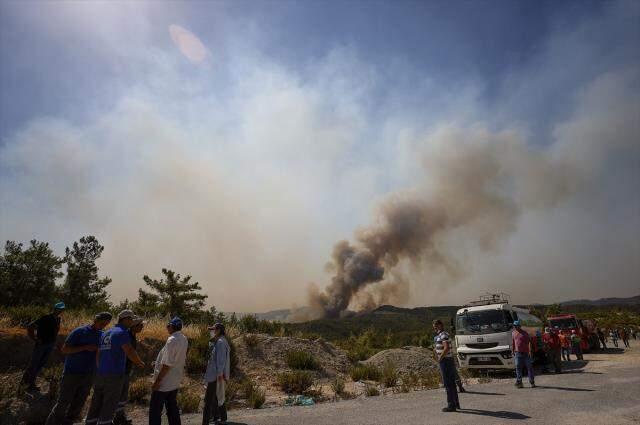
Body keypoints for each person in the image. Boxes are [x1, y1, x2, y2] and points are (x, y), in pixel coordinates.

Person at [46, 312, 112, 425]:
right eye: (102, 323)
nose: (103, 326)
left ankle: (69, 421)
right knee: (63, 402)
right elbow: (65, 350)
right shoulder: (80, 332)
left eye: (106, 324)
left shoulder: (102, 335)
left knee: (79, 403)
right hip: (72, 372)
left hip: (89, 374)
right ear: (95, 320)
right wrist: (85, 347)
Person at [85, 310, 144, 425]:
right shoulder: (122, 332)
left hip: (101, 374)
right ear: (125, 319)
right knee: (109, 403)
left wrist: (100, 369)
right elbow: (129, 351)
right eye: (131, 319)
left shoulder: (105, 333)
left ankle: (90, 422)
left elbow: (98, 353)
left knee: (96, 402)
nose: (132, 322)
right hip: (114, 375)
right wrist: (139, 362)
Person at [149, 317, 189, 425]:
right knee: (172, 408)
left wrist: (157, 382)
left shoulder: (171, 340)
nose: (167, 328)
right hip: (174, 381)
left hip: (164, 383)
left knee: (155, 410)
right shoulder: (183, 338)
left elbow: (167, 365)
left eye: (168, 326)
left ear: (172, 326)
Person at [21, 302, 66, 392]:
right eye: (58, 309)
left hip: (50, 345)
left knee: (40, 364)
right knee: (34, 364)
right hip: (41, 345)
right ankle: (24, 385)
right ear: (54, 308)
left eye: (61, 309)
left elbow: (54, 332)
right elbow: (30, 326)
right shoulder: (46, 318)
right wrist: (35, 339)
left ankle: (31, 383)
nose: (60, 310)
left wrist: (54, 343)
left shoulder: (58, 319)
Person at [114, 317, 145, 425]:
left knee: (122, 395)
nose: (142, 327)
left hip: (125, 369)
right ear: (134, 326)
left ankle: (119, 416)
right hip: (121, 370)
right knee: (119, 394)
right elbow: (129, 352)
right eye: (140, 325)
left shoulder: (132, 336)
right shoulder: (127, 336)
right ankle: (116, 417)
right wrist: (138, 362)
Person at [203, 322, 232, 424]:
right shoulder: (219, 341)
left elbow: (221, 360)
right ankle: (221, 418)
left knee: (208, 400)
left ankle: (205, 421)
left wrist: (219, 374)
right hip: (216, 375)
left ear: (218, 330)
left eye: (213, 329)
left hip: (215, 376)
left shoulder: (220, 342)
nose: (212, 331)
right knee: (217, 396)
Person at [430, 319, 459, 412]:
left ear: (440, 325)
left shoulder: (443, 335)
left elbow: (446, 348)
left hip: (445, 361)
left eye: (436, 327)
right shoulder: (440, 335)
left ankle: (451, 405)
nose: (435, 329)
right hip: (446, 360)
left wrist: (440, 358)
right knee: (451, 383)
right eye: (434, 327)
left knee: (448, 384)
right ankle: (456, 404)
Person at [512, 320, 535, 388]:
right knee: (518, 367)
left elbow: (529, 342)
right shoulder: (513, 333)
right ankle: (519, 382)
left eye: (517, 326)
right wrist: (513, 350)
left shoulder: (525, 333)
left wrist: (530, 351)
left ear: (520, 326)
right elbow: (513, 342)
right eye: (515, 326)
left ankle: (532, 382)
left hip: (525, 353)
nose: (516, 327)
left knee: (529, 367)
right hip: (517, 353)